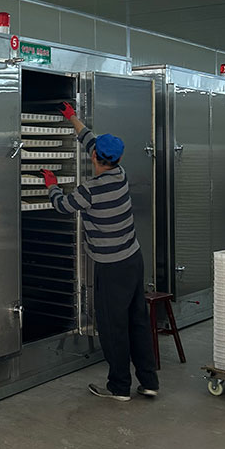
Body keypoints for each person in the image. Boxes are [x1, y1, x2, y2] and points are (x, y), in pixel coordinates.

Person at [40, 101, 159, 402]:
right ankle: (149, 381)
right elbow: (91, 141)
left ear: (94, 157)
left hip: (111, 267)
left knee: (111, 325)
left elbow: (62, 206)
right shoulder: (120, 174)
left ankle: (119, 387)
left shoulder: (90, 190)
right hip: (133, 260)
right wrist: (72, 118)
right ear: (117, 158)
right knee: (137, 320)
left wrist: (52, 185)